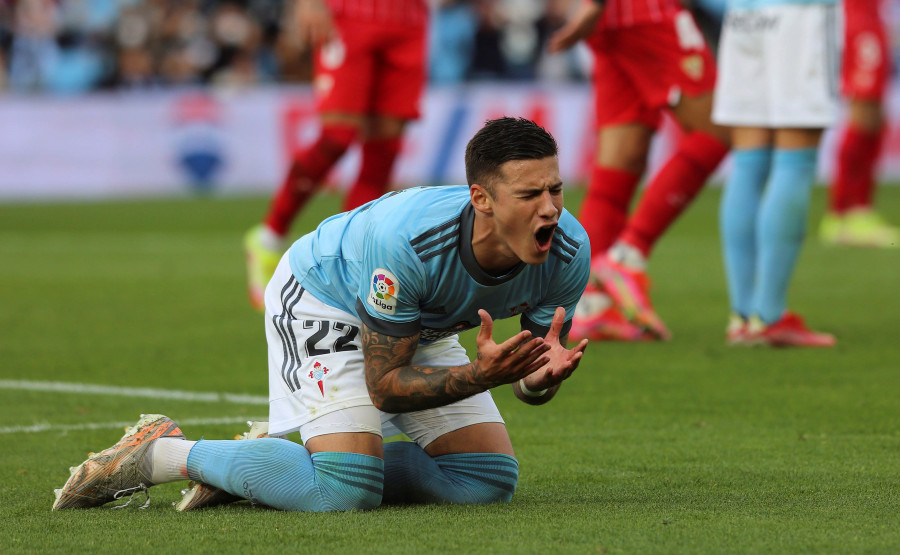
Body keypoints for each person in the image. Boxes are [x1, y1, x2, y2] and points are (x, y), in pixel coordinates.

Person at [52, 117, 591, 513]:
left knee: (487, 479)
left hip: (414, 322)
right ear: (482, 199)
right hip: (324, 298)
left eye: (556, 189)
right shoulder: (407, 242)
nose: (550, 208)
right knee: (345, 492)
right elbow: (385, 385)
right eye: (530, 194)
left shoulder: (568, 251)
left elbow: (532, 376)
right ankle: (160, 453)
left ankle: (263, 470)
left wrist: (536, 379)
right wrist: (480, 376)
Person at [548, 0, 731, 342]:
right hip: (647, 11)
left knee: (619, 163)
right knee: (718, 129)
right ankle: (627, 256)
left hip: (611, 21)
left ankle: (591, 302)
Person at [244, 0, 429, 310]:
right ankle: (268, 237)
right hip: (351, 12)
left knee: (382, 152)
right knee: (337, 137)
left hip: (409, 18)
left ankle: (349, 267)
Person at [713, 0, 838, 347]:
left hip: (744, 14)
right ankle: (768, 316)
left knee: (749, 162)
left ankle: (742, 316)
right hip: (800, 12)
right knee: (795, 161)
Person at [819, 0, 898, 248]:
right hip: (859, 22)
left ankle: (858, 210)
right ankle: (843, 212)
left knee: (874, 120)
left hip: (871, 19)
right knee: (863, 115)